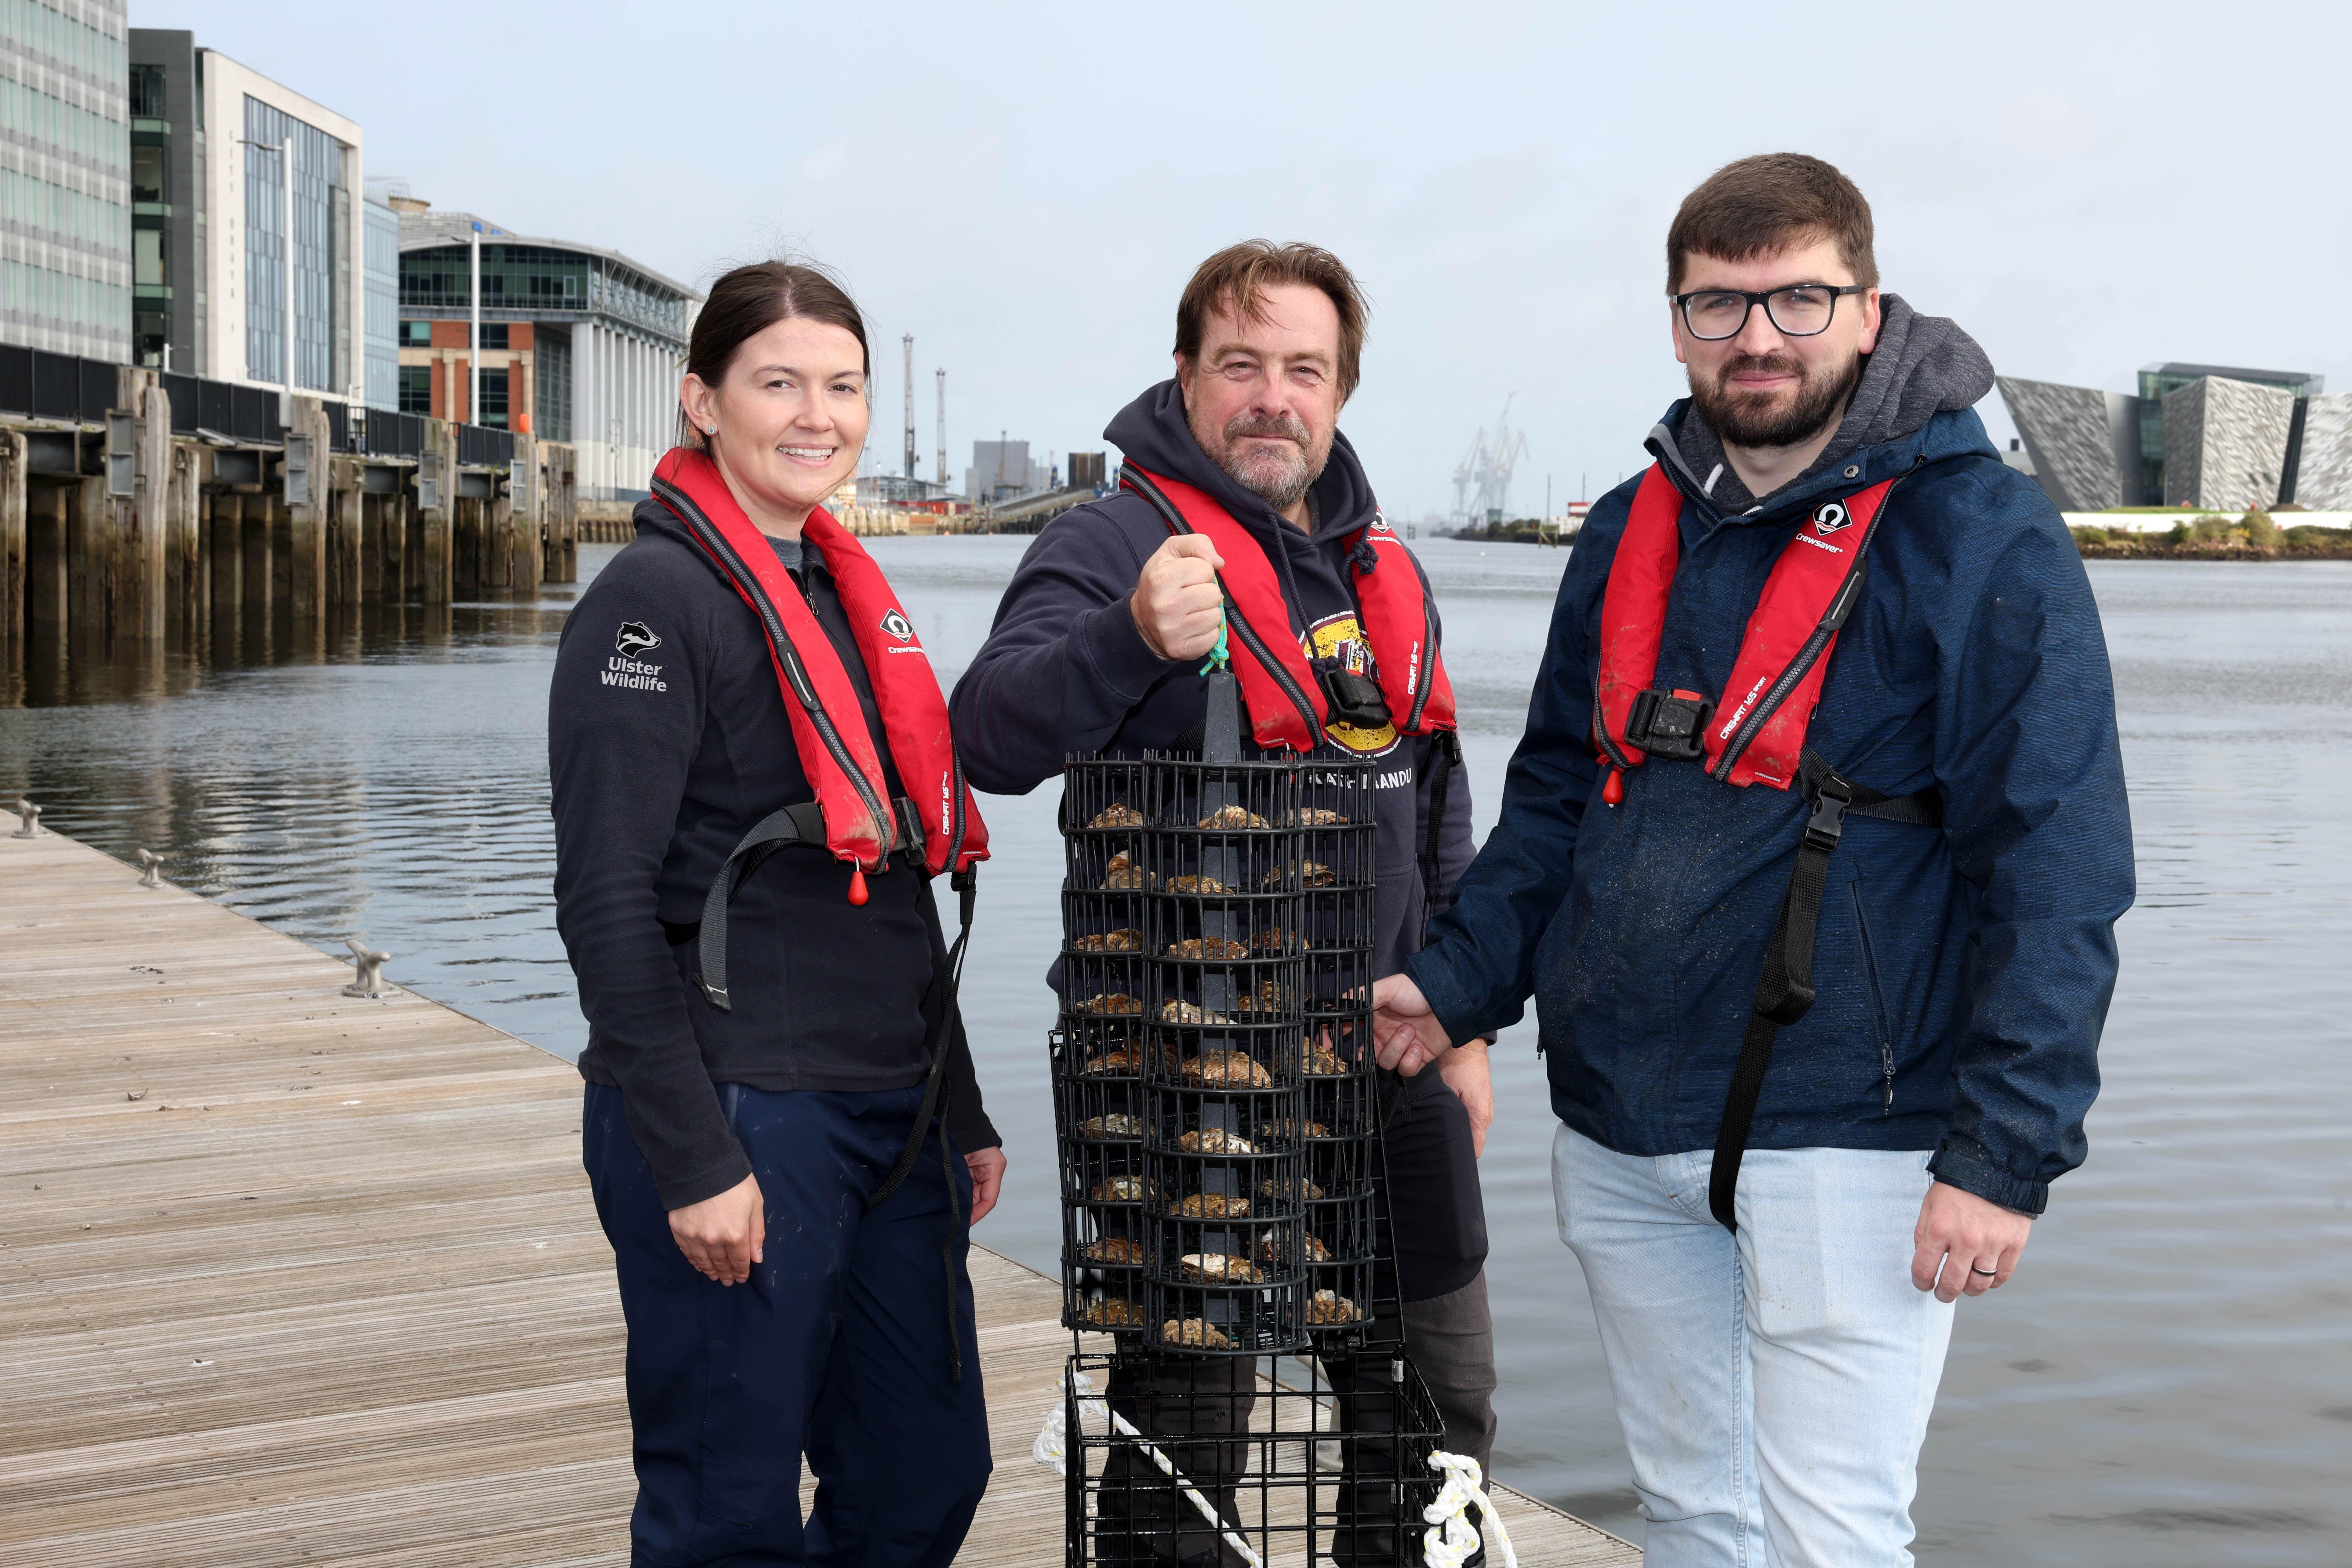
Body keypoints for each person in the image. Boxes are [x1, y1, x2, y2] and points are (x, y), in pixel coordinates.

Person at [1374, 153, 2134, 1566]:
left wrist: (2006, 1151)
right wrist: (1459, 982)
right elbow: (1555, 797)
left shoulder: (1985, 537)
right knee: (1692, 1515)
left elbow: (2060, 863)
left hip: (1854, 1132)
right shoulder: (1626, 525)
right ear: (1675, 325)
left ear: (1868, 308)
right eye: (1718, 307)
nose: (1759, 337)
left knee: (1834, 1529)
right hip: (1621, 1123)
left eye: (1797, 297)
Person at [951, 240, 1497, 1565]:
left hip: (1385, 1053)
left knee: (1438, 1415)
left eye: (1303, 369)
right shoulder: (1111, 540)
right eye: (1239, 364)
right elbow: (985, 736)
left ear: (1342, 392)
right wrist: (1128, 635)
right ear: (1186, 376)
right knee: (1187, 1438)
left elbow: (1437, 812)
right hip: (1184, 1077)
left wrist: (1471, 1019)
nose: (1272, 396)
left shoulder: (1388, 574)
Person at [548, 261, 1001, 1567]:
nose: (818, 415)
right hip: (742, 1106)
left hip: (890, 1113)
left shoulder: (838, 594)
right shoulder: (651, 603)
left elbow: (893, 878)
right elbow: (605, 905)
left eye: (844, 386)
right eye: (779, 383)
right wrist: (694, 1157)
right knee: (724, 1509)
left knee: (924, 1470)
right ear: (702, 401)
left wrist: (955, 1108)